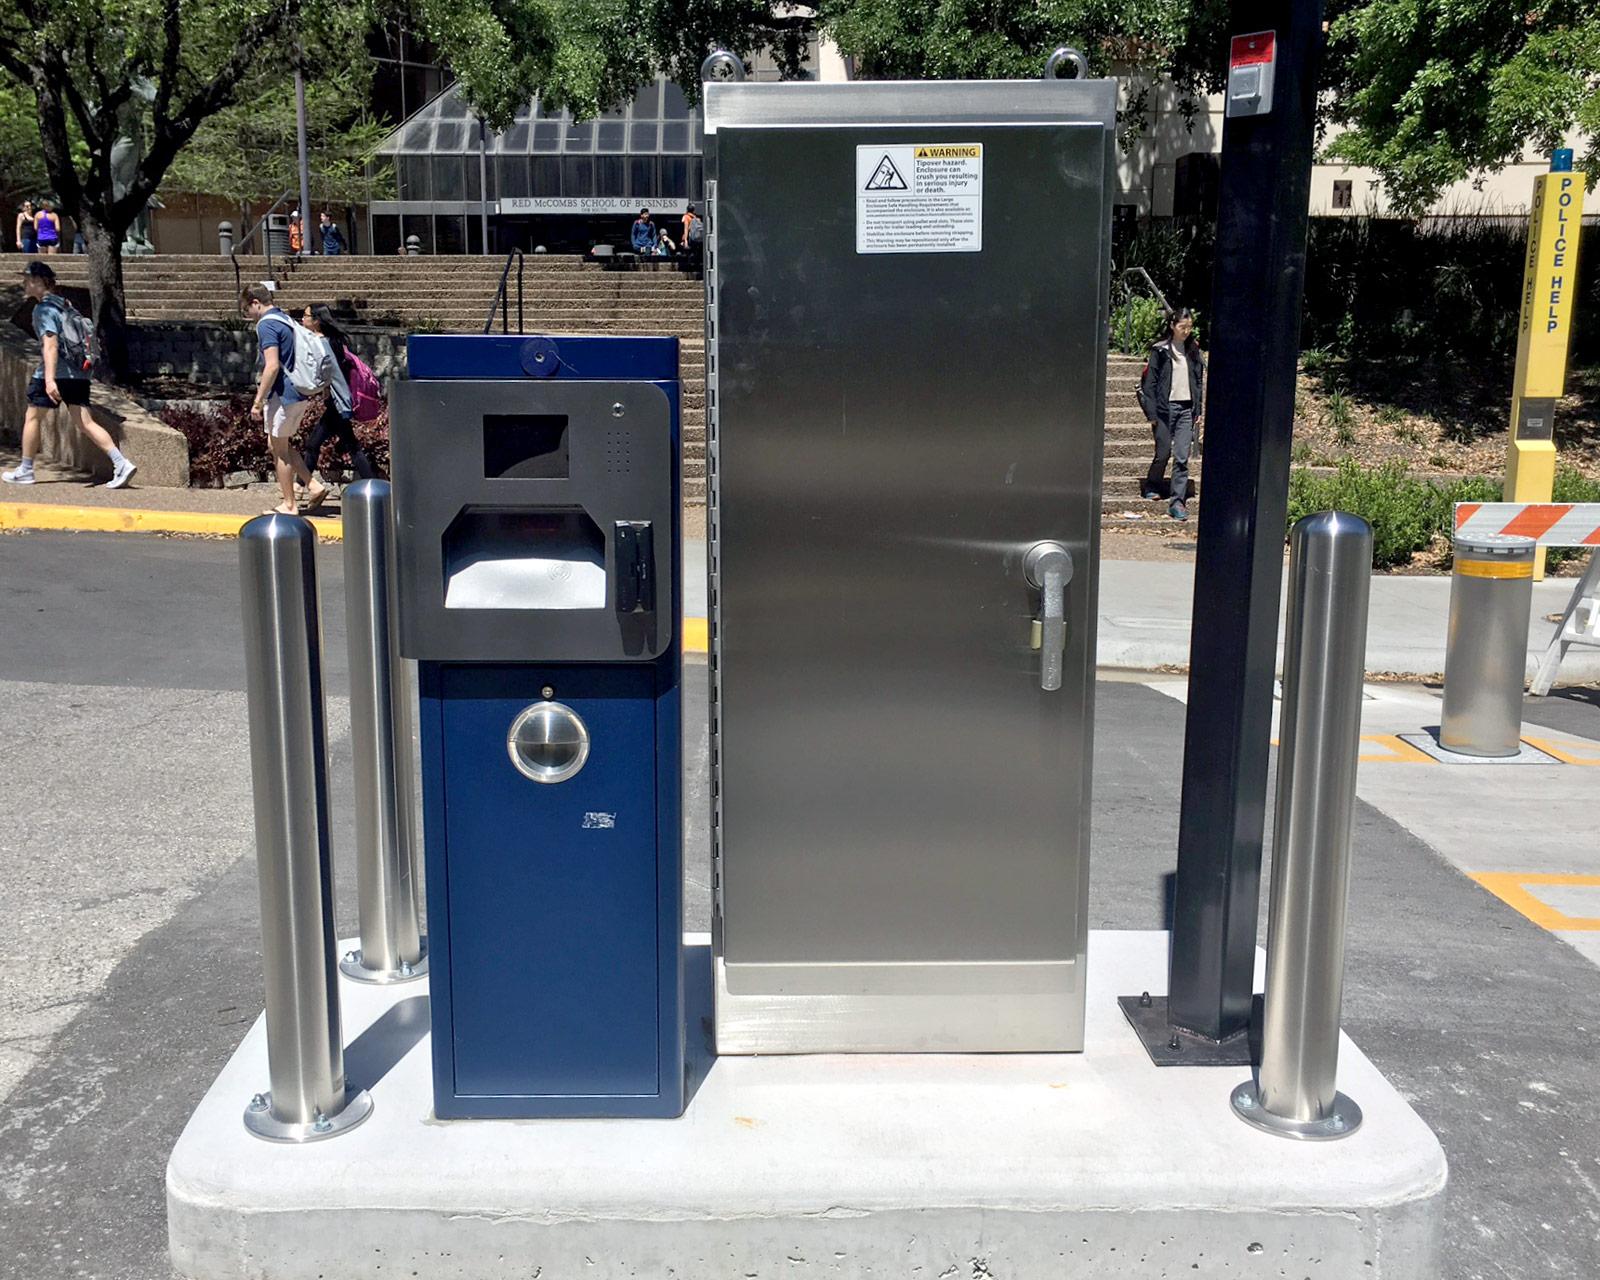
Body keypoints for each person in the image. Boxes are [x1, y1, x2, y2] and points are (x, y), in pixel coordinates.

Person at [3, 261, 136, 489]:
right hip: (79, 373)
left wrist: (49, 379)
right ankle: (121, 463)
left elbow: (50, 345)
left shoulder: (43, 309)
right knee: (85, 422)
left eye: (27, 279)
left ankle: (25, 470)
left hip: (55, 373)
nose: (24, 283)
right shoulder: (65, 305)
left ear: (39, 282)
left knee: (33, 418)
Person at [240, 283, 327, 516]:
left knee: (279, 450)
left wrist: (258, 401)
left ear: (255, 303)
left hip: (284, 394)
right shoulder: (285, 319)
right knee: (279, 443)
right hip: (300, 392)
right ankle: (313, 485)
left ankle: (289, 504)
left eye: (247, 309)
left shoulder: (267, 325)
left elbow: (272, 366)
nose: (248, 315)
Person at [299, 303, 378, 503]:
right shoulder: (334, 340)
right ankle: (374, 486)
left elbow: (326, 371)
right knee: (352, 446)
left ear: (316, 321)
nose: (303, 319)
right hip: (339, 400)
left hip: (337, 402)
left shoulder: (321, 341)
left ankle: (302, 485)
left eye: (306, 316)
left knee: (313, 444)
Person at [1137, 307, 1204, 522]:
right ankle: (1153, 484)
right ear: (1172, 326)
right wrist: (1152, 413)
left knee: (1182, 457)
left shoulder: (1193, 350)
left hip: (1186, 408)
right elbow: (1150, 385)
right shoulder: (1160, 351)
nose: (1186, 331)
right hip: (1164, 410)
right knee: (1163, 452)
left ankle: (1177, 502)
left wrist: (1198, 410)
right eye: (1182, 327)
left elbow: (1198, 382)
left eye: (1189, 327)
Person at [681, 202, 704, 269]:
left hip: (690, 237)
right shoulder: (696, 218)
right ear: (694, 210)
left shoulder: (686, 217)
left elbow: (686, 229)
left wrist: (685, 240)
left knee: (688, 252)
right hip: (696, 237)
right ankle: (696, 265)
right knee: (696, 252)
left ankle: (689, 266)